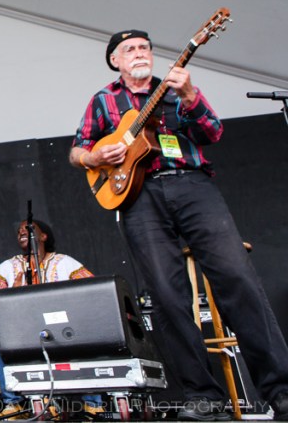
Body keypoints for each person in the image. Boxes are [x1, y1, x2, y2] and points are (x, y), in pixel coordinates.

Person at [69, 30, 288, 421]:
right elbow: (78, 150)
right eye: (129, 49)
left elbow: (213, 132)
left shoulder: (175, 88)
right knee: (167, 296)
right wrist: (94, 157)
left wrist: (189, 96)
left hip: (192, 186)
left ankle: (280, 389)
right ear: (115, 61)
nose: (139, 53)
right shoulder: (103, 100)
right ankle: (203, 396)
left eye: (145, 48)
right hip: (139, 196)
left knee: (238, 280)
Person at [0, 220, 95, 412]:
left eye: (28, 228)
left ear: (43, 236)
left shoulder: (65, 263)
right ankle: (13, 403)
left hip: (63, 328)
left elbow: (93, 292)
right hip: (23, 331)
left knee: (91, 321)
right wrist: (10, 293)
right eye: (19, 231)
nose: (21, 232)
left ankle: (93, 403)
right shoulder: (9, 266)